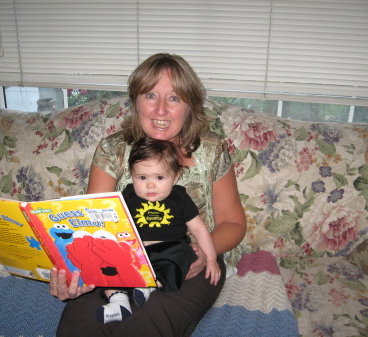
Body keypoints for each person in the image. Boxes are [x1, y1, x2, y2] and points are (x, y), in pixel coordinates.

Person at [50, 52, 247, 337]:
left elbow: (233, 224)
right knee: (81, 325)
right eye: (151, 96)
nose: (161, 111)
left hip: (186, 259)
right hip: (116, 260)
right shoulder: (112, 150)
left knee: (148, 325)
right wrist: (74, 276)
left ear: (190, 105)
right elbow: (90, 228)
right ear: (135, 101)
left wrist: (203, 253)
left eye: (175, 98)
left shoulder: (212, 152)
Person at [97, 137, 221, 324]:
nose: (150, 185)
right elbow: (115, 225)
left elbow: (199, 229)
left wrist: (211, 260)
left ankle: (151, 285)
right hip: (136, 253)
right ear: (132, 175)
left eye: (160, 177)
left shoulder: (179, 197)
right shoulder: (128, 195)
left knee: (184, 254)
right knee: (106, 264)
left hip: (168, 250)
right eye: (142, 177)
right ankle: (118, 300)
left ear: (176, 176)